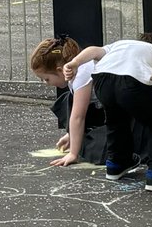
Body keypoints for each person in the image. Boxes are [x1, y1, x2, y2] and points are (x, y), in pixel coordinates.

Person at [63, 32, 152, 191]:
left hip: (102, 79)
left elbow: (93, 50)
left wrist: (74, 63)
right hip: (133, 82)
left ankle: (116, 163)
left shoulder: (121, 45)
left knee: (116, 119)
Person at [30, 35, 108, 166]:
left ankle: (87, 141)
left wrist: (73, 153)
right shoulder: (76, 73)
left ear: (60, 71)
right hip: (104, 110)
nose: (46, 83)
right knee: (68, 100)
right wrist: (70, 135)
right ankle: (83, 137)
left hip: (122, 116)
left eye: (46, 79)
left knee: (93, 150)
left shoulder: (81, 73)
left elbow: (78, 117)